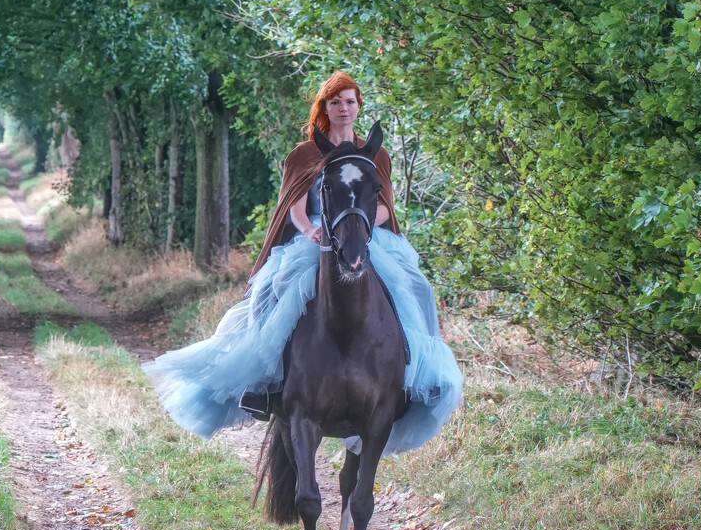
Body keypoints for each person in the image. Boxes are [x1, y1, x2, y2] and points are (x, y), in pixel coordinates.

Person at [143, 71, 463, 456]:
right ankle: (262, 385)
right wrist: (312, 230)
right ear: (324, 107)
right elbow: (293, 207)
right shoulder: (305, 153)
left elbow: (383, 206)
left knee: (415, 289)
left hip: (365, 239)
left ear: (359, 106)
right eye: (335, 102)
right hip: (314, 242)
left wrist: (361, 228)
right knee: (269, 291)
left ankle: (414, 381)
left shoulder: (375, 154)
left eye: (350, 101)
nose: (343, 108)